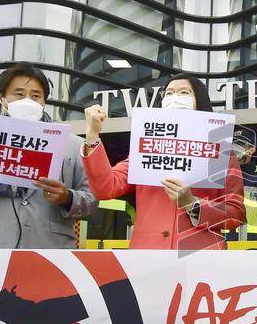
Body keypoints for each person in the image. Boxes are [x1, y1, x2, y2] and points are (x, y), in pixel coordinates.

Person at [0, 63, 96, 248]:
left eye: (35, 96)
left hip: (51, 250)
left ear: (44, 101)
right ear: (2, 99)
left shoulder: (74, 145)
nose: (28, 101)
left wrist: (67, 198)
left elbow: (92, 201)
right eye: (19, 94)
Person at [82, 73, 244, 250]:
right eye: (169, 93)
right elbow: (106, 187)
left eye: (184, 92)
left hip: (199, 254)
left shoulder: (220, 150)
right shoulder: (146, 149)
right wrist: (92, 136)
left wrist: (193, 205)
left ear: (200, 100)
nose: (175, 98)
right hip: (148, 254)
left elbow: (235, 214)